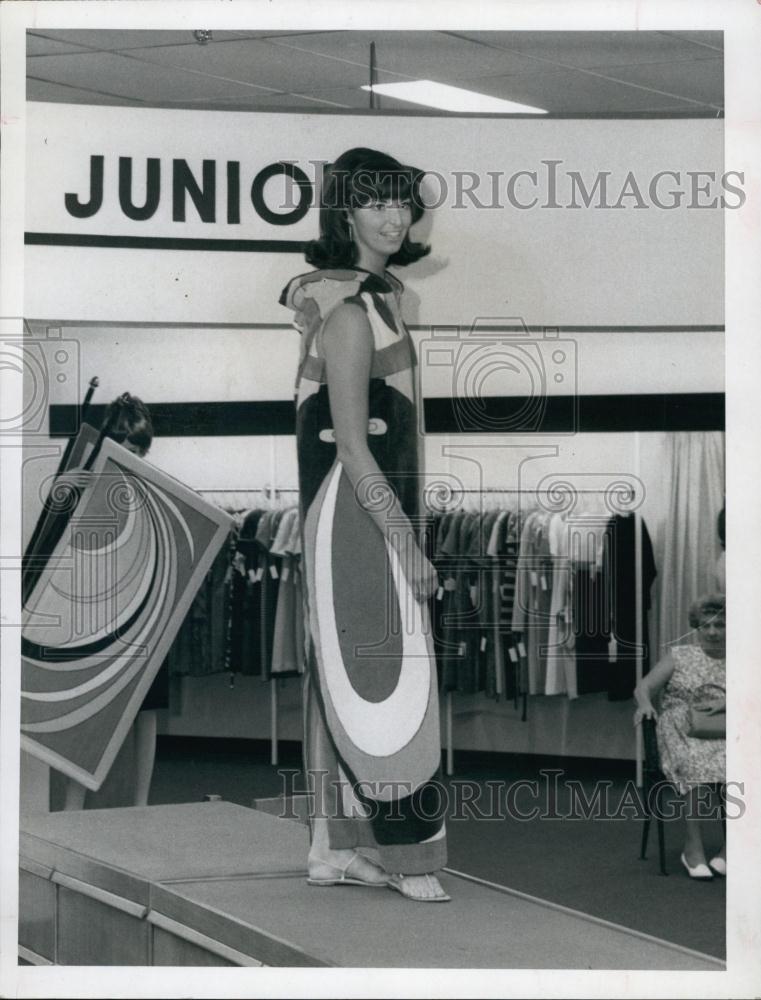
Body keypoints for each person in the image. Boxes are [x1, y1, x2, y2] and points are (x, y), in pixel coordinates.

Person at [280, 147, 449, 902]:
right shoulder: (351, 313)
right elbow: (352, 446)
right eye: (378, 202)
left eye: (404, 204)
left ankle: (332, 847)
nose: (394, 216)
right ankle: (402, 854)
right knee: (379, 679)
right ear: (345, 211)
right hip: (356, 518)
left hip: (362, 511)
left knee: (343, 678)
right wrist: (405, 541)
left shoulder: (375, 302)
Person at [62, 393, 167, 810]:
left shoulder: (159, 492)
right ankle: (74, 804)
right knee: (93, 707)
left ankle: (141, 804)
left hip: (145, 614)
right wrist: (63, 493)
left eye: (139, 446)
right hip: (99, 616)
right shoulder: (84, 482)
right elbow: (58, 550)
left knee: (146, 709)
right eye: (125, 443)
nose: (132, 453)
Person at [633, 593, 726, 879]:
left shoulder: (745, 657)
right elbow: (644, 687)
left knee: (747, 764)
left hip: (724, 727)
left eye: (720, 625)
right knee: (694, 762)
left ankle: (732, 847)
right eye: (705, 625)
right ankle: (692, 844)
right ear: (696, 627)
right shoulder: (680, 655)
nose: (712, 632)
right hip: (680, 727)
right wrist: (646, 705)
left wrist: (728, 703)